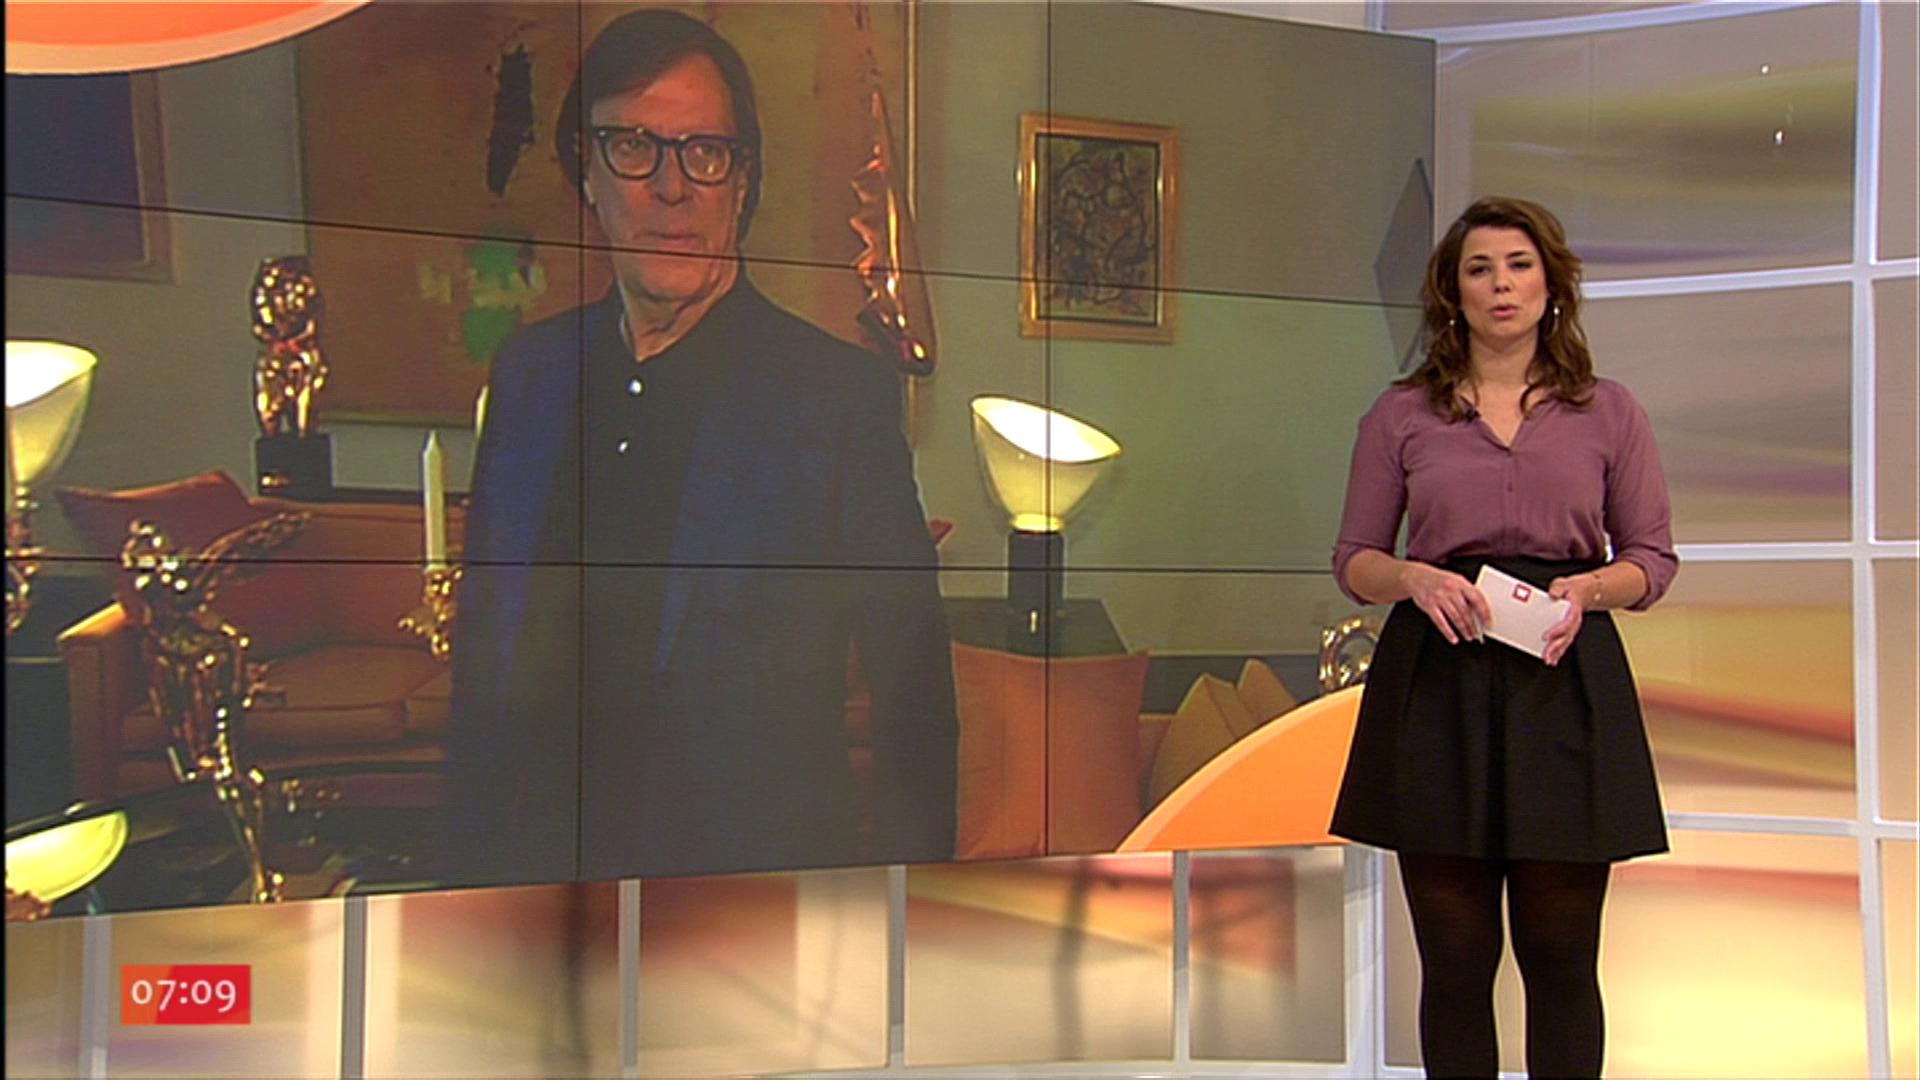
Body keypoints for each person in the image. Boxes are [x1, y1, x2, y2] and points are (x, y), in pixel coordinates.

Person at [445, 9, 957, 886]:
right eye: (633, 147)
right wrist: (461, 894)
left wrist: (913, 917)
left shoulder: (835, 398)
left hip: (756, 901)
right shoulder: (529, 376)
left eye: (705, 153)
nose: (671, 188)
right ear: (587, 172)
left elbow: (913, 699)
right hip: (542, 889)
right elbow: (483, 666)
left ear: (742, 180)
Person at [1329, 196, 1677, 1078]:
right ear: (1453, 293)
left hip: (1564, 683)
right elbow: (1355, 558)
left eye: (1519, 266)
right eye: (1478, 269)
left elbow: (1652, 561)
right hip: (1438, 685)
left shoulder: (1610, 412)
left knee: (1561, 957)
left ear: (1552, 284)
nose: (1501, 285)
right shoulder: (1402, 414)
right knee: (1455, 962)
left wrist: (1588, 590)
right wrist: (1414, 577)